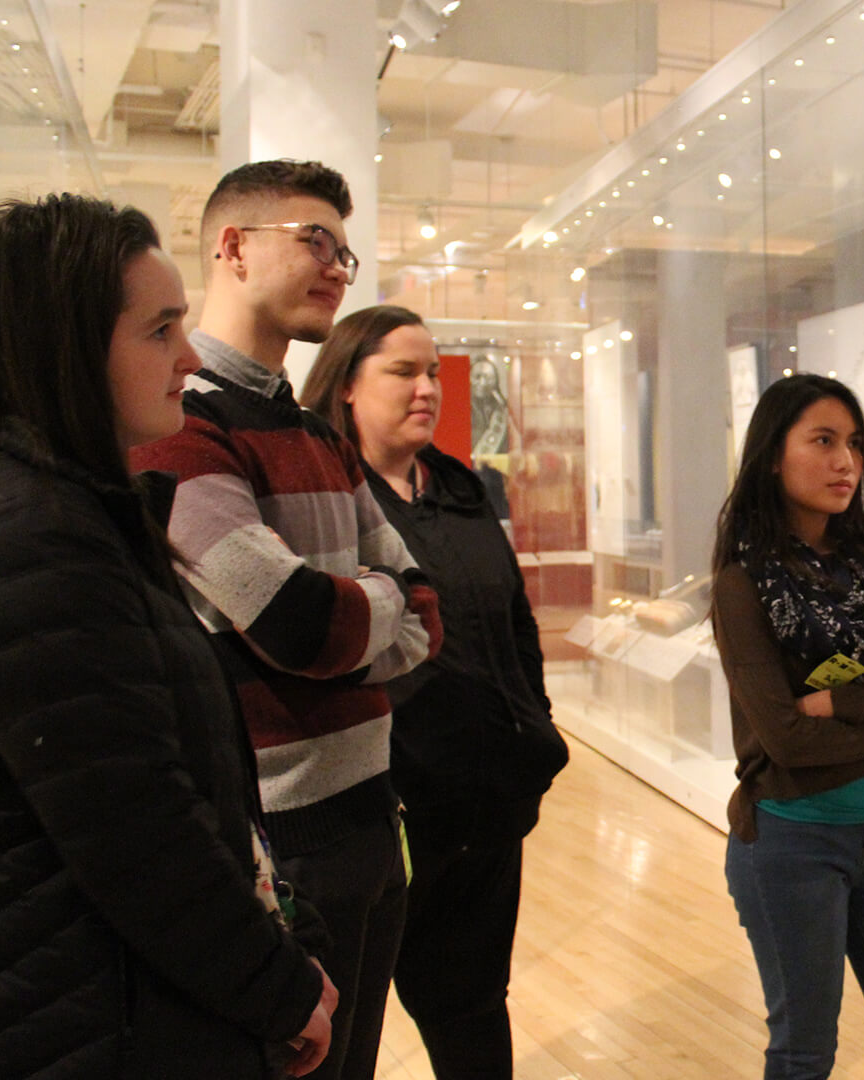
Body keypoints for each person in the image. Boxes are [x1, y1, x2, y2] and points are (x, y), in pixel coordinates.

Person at [0, 194, 336, 1078]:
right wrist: (279, 987)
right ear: (62, 346)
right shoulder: (23, 537)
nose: (185, 357)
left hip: (105, 1005)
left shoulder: (66, 516)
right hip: (77, 1023)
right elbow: (137, 836)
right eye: (159, 329)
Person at [129, 160, 442, 1080]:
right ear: (231, 247)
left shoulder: (315, 431)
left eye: (344, 248)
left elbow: (425, 611)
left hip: (370, 819)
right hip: (282, 836)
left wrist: (362, 611)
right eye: (314, 239)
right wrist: (368, 607)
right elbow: (303, 623)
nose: (338, 265)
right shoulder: (183, 425)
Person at [303, 305, 570, 1078]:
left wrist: (537, 730)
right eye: (402, 371)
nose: (426, 389)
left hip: (487, 809)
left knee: (475, 1006)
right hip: (387, 813)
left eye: (431, 372)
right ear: (348, 384)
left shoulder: (459, 486)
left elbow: (514, 623)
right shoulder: (324, 496)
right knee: (347, 1025)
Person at [711, 373, 864, 1080]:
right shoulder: (743, 583)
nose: (846, 462)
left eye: (853, 443)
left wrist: (845, 706)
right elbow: (787, 741)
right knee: (804, 1056)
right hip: (790, 843)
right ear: (771, 456)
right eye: (822, 441)